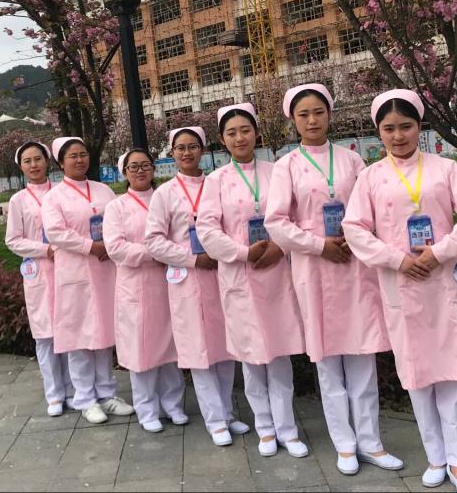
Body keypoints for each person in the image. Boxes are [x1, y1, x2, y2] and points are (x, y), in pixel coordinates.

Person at [343, 89, 457, 493]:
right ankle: (436, 457)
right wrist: (396, 259)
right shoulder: (370, 177)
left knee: (454, 373)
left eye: (406, 126)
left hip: (444, 284)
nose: (398, 136)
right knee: (417, 374)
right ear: (378, 132)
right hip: (401, 284)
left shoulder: (445, 168)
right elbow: (354, 229)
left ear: (419, 126)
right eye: (389, 128)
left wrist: (440, 252)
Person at [264, 84, 403, 476]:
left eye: (318, 112)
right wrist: (317, 245)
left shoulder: (351, 160)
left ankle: (371, 443)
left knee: (362, 358)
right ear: (293, 120)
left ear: (329, 115)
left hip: (354, 265)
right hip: (315, 268)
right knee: (327, 363)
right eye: (304, 114)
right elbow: (276, 221)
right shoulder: (286, 166)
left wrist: (357, 239)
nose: (312, 120)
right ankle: (344, 444)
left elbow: (370, 207)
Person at [198, 103, 309, 459]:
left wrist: (280, 246)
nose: (240, 138)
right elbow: (207, 230)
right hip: (240, 276)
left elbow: (295, 217)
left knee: (278, 356)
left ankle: (288, 429)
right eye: (231, 133)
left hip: (276, 273)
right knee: (251, 357)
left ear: (257, 133)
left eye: (245, 130)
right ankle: (265, 428)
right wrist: (243, 253)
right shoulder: (215, 181)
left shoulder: (277, 171)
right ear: (222, 140)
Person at [145, 126, 249, 447]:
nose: (187, 152)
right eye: (180, 148)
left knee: (225, 346)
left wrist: (223, 252)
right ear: (172, 153)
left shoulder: (217, 184)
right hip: (188, 279)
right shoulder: (164, 193)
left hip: (221, 273)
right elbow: (153, 241)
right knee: (199, 350)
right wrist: (192, 259)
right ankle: (215, 421)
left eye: (193, 146)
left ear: (203, 150)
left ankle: (228, 413)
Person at [40, 136, 134, 425]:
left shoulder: (103, 190)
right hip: (76, 272)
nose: (80, 160)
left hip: (105, 269)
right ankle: (85, 398)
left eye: (83, 154)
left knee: (104, 334)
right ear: (61, 162)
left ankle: (106, 394)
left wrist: (111, 244)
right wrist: (90, 246)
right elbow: (56, 233)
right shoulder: (53, 197)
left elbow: (119, 220)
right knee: (80, 336)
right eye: (73, 156)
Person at [103, 148, 187, 433]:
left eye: (145, 165)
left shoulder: (166, 197)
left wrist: (170, 253)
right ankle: (147, 408)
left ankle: (173, 405)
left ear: (154, 168)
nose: (140, 171)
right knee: (141, 350)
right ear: (124, 172)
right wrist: (156, 252)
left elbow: (179, 235)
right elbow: (116, 248)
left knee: (171, 347)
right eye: (133, 167)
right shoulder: (116, 207)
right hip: (136, 287)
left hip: (169, 281)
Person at [4, 140, 73, 417]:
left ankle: (74, 390)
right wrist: (45, 249)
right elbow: (13, 240)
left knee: (70, 330)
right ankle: (54, 394)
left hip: (68, 268)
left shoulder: (62, 192)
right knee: (45, 335)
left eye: (38, 159)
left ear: (48, 161)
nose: (34, 165)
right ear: (21, 167)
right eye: (27, 161)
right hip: (40, 272)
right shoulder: (18, 200)